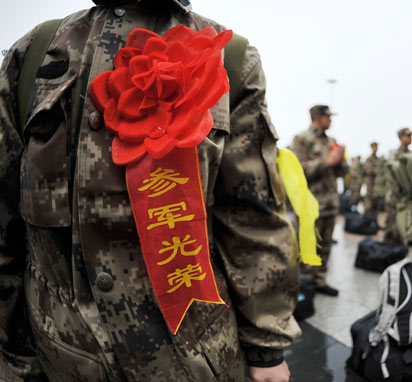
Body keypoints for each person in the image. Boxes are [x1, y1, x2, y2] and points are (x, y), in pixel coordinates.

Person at [0, 1, 300, 381]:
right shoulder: (38, 54)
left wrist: (266, 348)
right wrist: (14, 356)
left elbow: (251, 217)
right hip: (60, 355)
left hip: (196, 359)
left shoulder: (229, 58)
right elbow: (4, 218)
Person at [292, 105, 348, 297]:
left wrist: (341, 161)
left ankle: (320, 280)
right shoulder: (302, 139)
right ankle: (305, 284)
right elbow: (299, 170)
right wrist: (328, 160)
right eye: (328, 117)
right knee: (308, 246)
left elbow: (341, 173)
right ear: (317, 117)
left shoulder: (332, 141)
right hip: (311, 205)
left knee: (325, 246)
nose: (330, 120)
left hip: (330, 204)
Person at [383, 127, 412, 242]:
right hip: (394, 197)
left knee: (402, 228)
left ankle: (399, 253)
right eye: (408, 135)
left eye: (411, 135)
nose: (411, 138)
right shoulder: (395, 154)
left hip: (405, 198)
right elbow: (392, 176)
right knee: (391, 227)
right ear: (401, 137)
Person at [363, 142, 381, 217]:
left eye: (376, 147)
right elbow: (368, 170)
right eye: (374, 147)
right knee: (369, 197)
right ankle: (367, 215)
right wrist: (377, 170)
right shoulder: (369, 159)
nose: (376, 148)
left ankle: (374, 216)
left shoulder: (378, 159)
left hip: (377, 182)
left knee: (376, 198)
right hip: (370, 182)